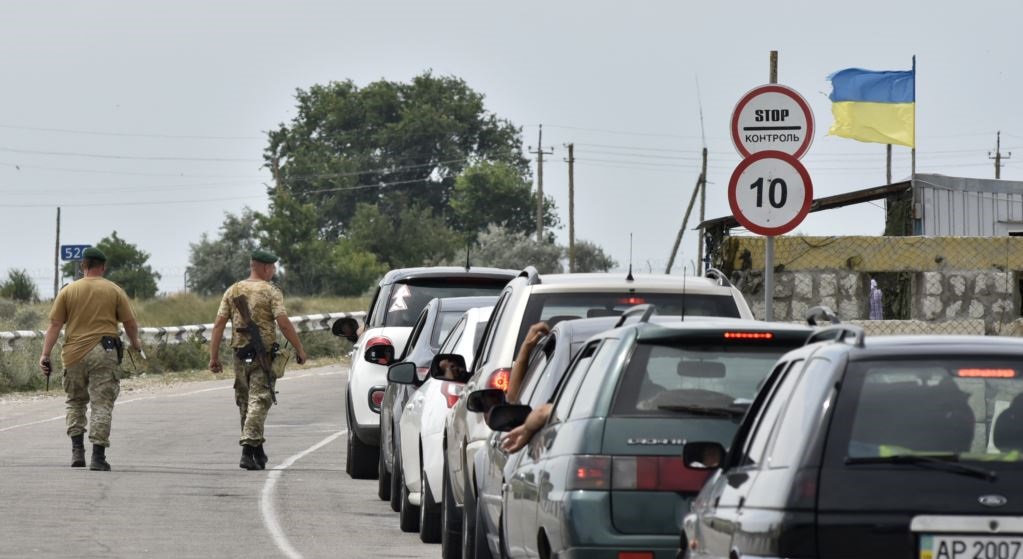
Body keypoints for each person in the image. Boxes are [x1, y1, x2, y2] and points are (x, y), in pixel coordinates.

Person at [39, 247, 143, 471]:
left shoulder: (68, 291)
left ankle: (77, 450)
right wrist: (136, 344)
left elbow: (55, 325)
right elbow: (130, 323)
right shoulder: (114, 290)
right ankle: (98, 456)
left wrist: (45, 355)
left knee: (75, 402)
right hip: (104, 353)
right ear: (103, 266)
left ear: (82, 266)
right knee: (101, 403)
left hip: (74, 353)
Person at [208, 249, 308, 470]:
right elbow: (282, 322)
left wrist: (213, 357)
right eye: (272, 267)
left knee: (246, 402)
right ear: (265, 267)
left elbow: (218, 325)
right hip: (263, 355)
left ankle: (257, 451)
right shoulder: (271, 291)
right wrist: (299, 349)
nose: (273, 271)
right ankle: (247, 450)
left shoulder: (233, 290)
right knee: (259, 400)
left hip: (239, 354)